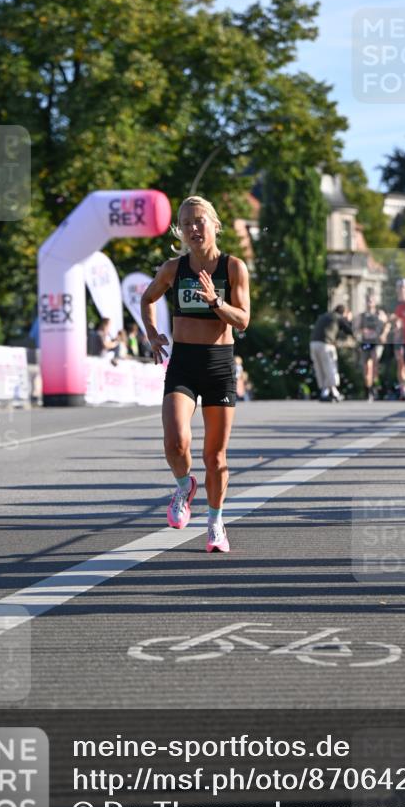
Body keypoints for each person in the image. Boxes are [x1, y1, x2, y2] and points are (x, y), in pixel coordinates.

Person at [140, 195, 250, 554]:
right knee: (175, 441)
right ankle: (184, 484)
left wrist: (215, 302)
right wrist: (152, 333)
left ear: (215, 225)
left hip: (218, 365)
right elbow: (147, 299)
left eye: (199, 221)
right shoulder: (174, 269)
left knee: (215, 457)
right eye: (186, 223)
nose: (193, 228)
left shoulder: (233, 268)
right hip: (184, 363)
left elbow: (244, 320)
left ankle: (215, 522)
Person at [310, 304, 353, 402]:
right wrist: (349, 320)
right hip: (326, 344)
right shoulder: (338, 317)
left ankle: (325, 392)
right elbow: (349, 330)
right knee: (331, 368)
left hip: (313, 343)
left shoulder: (325, 316)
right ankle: (334, 393)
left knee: (320, 369)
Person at [355, 290, 387, 401]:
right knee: (366, 367)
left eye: (371, 300)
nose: (370, 302)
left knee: (375, 364)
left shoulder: (380, 314)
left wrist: (384, 334)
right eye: (368, 300)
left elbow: (387, 325)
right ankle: (368, 390)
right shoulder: (362, 316)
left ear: (375, 302)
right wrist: (361, 331)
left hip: (376, 342)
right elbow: (357, 328)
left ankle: (375, 386)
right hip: (366, 342)